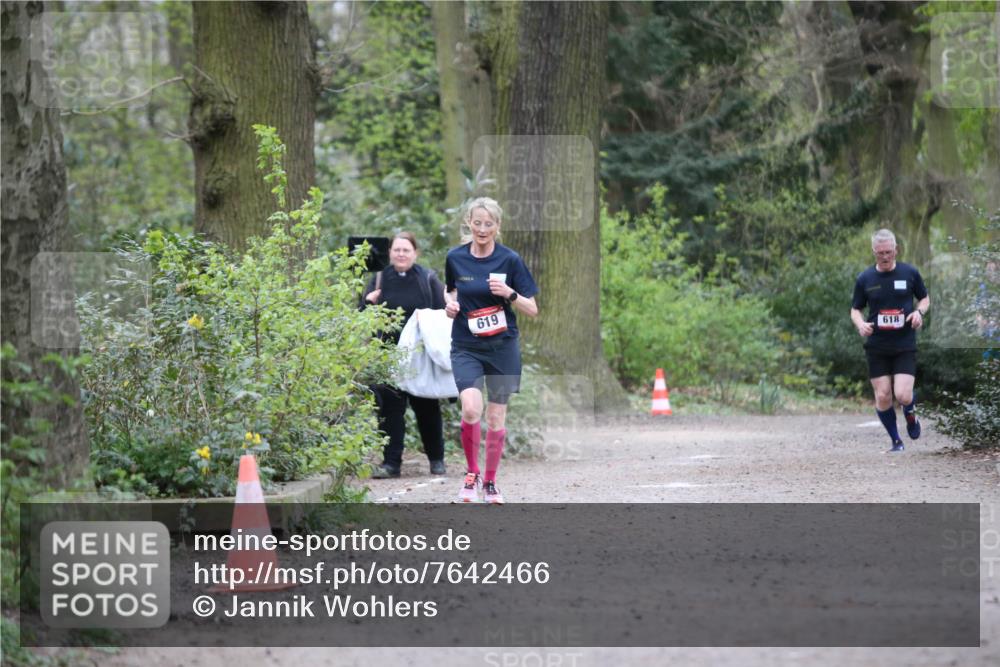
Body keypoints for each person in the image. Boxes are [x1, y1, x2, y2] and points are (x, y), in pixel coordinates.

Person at [445, 197, 538, 504]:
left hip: (502, 347)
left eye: (489, 224)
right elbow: (451, 289)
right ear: (468, 223)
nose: (482, 229)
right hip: (466, 346)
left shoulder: (510, 260)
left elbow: (533, 308)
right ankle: (471, 475)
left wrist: (510, 294)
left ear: (498, 226)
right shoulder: (455, 257)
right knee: (471, 408)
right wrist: (450, 304)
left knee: (496, 419)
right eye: (477, 223)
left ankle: (492, 483)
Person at [362, 232, 448, 478]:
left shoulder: (427, 278)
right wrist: (368, 302)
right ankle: (391, 464)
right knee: (389, 411)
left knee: (427, 408)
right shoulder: (378, 279)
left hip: (420, 355)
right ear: (390, 253)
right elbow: (360, 316)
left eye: (406, 250)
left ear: (415, 253)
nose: (401, 254)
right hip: (387, 355)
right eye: (397, 250)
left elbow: (445, 312)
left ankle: (437, 460)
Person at [850, 229, 930, 452]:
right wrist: (861, 324)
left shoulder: (910, 273)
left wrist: (919, 314)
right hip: (877, 345)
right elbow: (855, 309)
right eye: (879, 253)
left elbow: (924, 298)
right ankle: (896, 441)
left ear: (896, 250)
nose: (884, 257)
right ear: (873, 252)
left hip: (904, 344)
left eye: (888, 252)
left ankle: (911, 414)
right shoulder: (865, 278)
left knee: (903, 395)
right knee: (883, 395)